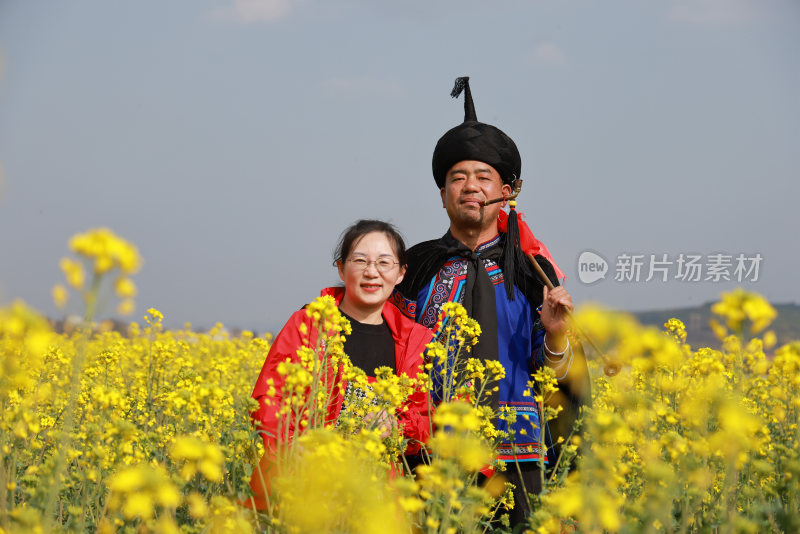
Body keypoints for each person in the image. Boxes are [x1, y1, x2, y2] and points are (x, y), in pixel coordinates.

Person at [393, 77, 591, 527]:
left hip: (519, 457)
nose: (470, 187)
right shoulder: (414, 267)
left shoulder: (534, 271)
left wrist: (557, 336)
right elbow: (389, 351)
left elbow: (564, 376)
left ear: (507, 192)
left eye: (484, 177)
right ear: (442, 194)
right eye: (457, 178)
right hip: (428, 453)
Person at [246, 220, 433, 510]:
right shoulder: (309, 323)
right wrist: (289, 447)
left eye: (384, 262)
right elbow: (268, 397)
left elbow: (423, 418)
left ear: (400, 273)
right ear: (341, 268)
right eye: (360, 261)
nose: (372, 272)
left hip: (374, 494)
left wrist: (398, 428)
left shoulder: (415, 340)